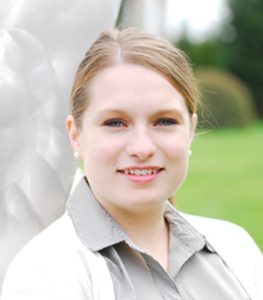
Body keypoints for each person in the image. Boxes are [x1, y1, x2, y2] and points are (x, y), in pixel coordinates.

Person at [1, 27, 262, 300]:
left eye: (164, 121)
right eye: (115, 123)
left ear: (190, 130)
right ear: (76, 136)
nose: (142, 148)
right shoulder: (46, 273)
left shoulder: (235, 248)